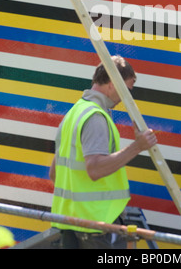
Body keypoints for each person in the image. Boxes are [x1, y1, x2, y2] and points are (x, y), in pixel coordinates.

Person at [49, 55, 157, 249]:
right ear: (113, 84)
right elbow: (95, 169)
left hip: (71, 222)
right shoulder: (96, 118)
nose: (127, 97)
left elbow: (54, 173)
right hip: (98, 226)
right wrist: (137, 147)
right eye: (126, 90)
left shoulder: (74, 113)